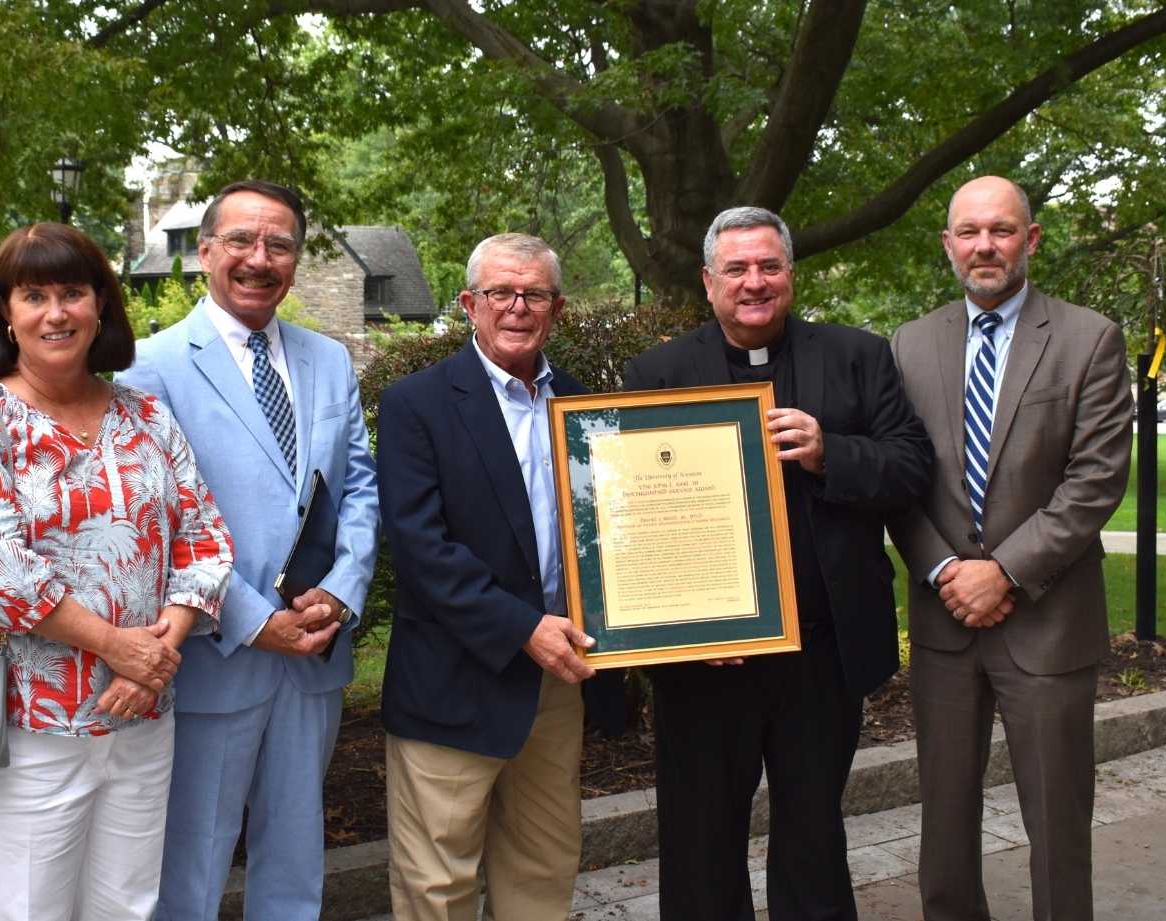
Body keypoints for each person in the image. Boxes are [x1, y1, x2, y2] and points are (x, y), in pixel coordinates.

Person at [622, 207, 932, 920]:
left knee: (813, 836)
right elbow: (630, 514)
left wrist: (831, 452)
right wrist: (679, 626)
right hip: (704, 659)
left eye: (768, 266)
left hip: (819, 654)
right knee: (698, 843)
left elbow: (912, 466)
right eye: (735, 269)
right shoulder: (657, 371)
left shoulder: (858, 356)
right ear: (707, 282)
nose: (753, 282)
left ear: (790, 274)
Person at [0, 223, 233, 920]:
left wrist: (156, 652)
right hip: (18, 722)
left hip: (141, 714)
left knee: (128, 906)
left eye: (72, 292)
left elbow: (204, 537)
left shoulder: (145, 415)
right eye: (34, 294)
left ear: (101, 306)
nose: (55, 312)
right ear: (5, 310)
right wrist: (120, 647)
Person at [116, 179, 379, 921]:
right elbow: (154, 519)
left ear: (295, 258)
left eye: (278, 244)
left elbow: (358, 484)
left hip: (316, 653)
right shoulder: (150, 365)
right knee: (191, 865)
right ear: (204, 252)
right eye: (240, 240)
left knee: (296, 861)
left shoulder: (328, 360)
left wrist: (343, 589)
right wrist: (254, 619)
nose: (259, 258)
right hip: (215, 656)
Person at [888, 176, 1133, 921]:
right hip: (941, 625)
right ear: (947, 245)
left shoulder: (1089, 337)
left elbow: (1093, 483)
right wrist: (942, 569)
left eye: (1000, 230)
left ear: (1029, 239)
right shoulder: (907, 343)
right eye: (968, 231)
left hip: (1048, 622)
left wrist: (1003, 572)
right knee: (944, 825)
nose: (983, 245)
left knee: (1058, 825)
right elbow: (899, 479)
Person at [376, 232, 599, 921]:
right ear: (470, 303)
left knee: (542, 868)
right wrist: (521, 627)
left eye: (533, 293)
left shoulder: (589, 408)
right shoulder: (417, 404)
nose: (516, 307)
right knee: (436, 887)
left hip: (556, 680)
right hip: (452, 677)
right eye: (500, 292)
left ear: (555, 308)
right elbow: (420, 547)